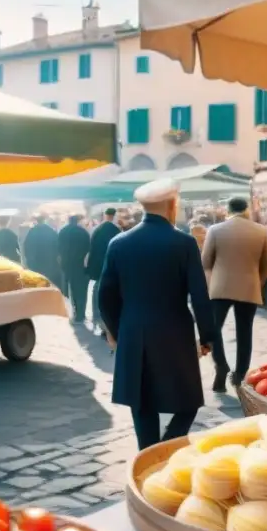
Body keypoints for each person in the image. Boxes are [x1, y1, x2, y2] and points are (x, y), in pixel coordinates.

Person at [98, 178, 215, 450]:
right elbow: (199, 295)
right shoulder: (184, 243)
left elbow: (105, 296)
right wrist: (207, 336)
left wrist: (115, 331)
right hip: (175, 331)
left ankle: (149, 455)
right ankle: (164, 450)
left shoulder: (119, 242)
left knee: (142, 403)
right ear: (172, 204)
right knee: (188, 402)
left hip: (133, 330)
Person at [202, 197, 267, 392]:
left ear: (228, 210)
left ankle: (221, 365)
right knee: (244, 331)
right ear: (247, 210)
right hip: (249, 286)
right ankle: (240, 374)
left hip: (220, 287)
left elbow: (206, 262)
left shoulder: (215, 230)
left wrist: (211, 284)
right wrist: (258, 280)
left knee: (214, 330)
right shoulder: (261, 231)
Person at [86, 208, 120, 334]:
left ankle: (96, 318)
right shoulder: (115, 230)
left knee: (96, 290)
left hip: (97, 265)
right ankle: (104, 320)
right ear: (114, 216)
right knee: (106, 293)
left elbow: (91, 248)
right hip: (108, 265)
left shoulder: (97, 229)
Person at [58, 214, 91, 322]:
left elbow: (58, 248)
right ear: (78, 221)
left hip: (67, 265)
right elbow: (88, 248)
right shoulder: (83, 232)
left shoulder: (62, 231)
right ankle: (80, 314)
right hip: (80, 265)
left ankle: (71, 310)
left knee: (69, 288)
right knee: (81, 290)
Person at [23, 213, 61, 291]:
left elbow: (27, 248)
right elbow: (58, 248)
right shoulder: (51, 231)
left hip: (36, 266)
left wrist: (29, 263)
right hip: (51, 265)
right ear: (45, 220)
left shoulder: (31, 232)